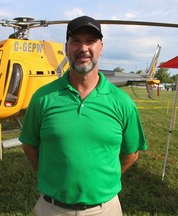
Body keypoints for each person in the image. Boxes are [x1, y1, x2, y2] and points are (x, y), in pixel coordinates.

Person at [19, 15, 147, 216]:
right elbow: (29, 144)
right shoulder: (42, 98)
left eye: (90, 41)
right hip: (52, 208)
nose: (83, 48)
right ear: (66, 47)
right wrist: (54, 176)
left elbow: (131, 153)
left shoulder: (122, 103)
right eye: (76, 41)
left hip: (105, 209)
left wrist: (103, 180)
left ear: (101, 47)